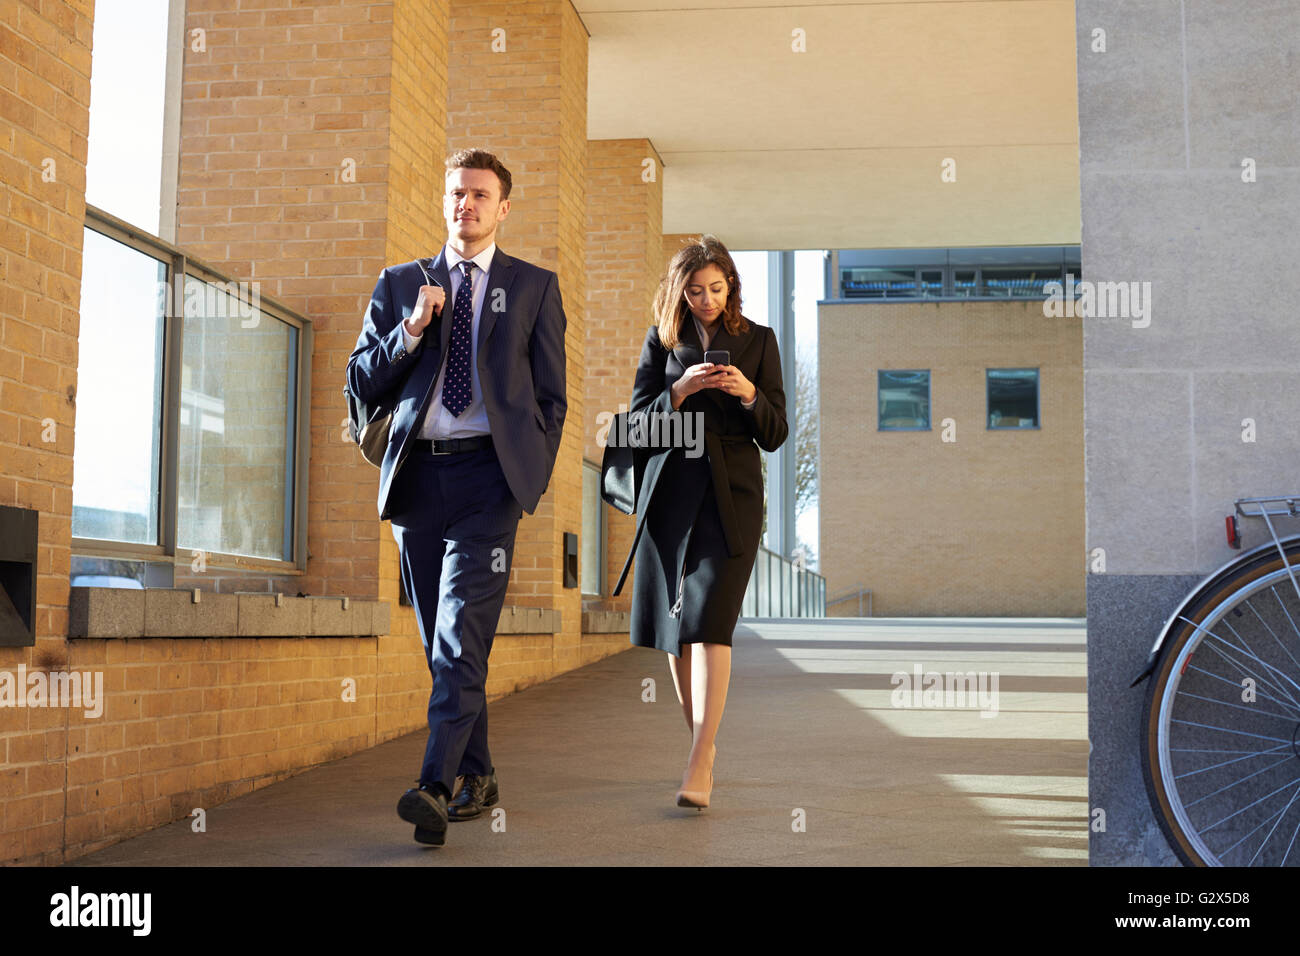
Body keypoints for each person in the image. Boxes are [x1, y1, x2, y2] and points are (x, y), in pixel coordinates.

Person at [346, 148, 567, 846]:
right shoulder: (399, 283)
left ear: (503, 207)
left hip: (488, 482)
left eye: (479, 194)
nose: (464, 205)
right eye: (455, 194)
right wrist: (410, 330)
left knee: (459, 633)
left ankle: (434, 785)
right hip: (419, 478)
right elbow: (360, 383)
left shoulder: (534, 287)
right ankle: (482, 773)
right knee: (443, 645)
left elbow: (552, 398)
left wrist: (525, 470)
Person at [611, 235, 788, 809]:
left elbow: (777, 431)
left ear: (730, 285)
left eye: (716, 288)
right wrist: (678, 391)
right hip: (672, 496)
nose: (706, 299)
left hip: (734, 496)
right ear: (679, 291)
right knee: (678, 631)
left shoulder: (759, 340)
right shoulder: (661, 341)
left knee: (711, 621)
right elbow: (636, 427)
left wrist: (748, 393)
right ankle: (702, 745)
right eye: (694, 290)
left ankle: (699, 757)